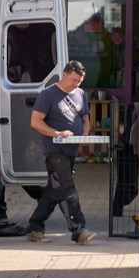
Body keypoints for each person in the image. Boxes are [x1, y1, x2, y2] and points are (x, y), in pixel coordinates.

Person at [25, 60, 97, 244]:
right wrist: (56, 133)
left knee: (55, 191)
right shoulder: (48, 95)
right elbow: (35, 122)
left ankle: (34, 226)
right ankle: (79, 230)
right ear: (64, 74)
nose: (75, 84)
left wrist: (84, 134)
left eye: (79, 82)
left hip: (71, 149)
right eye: (73, 80)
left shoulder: (81, 94)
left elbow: (86, 119)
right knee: (67, 188)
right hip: (54, 149)